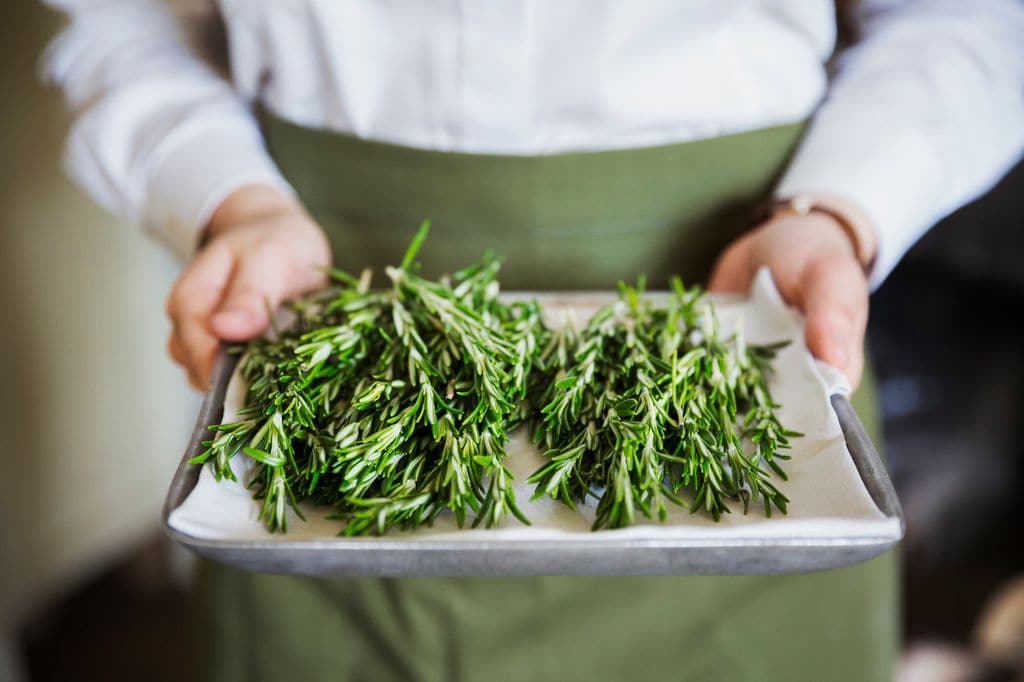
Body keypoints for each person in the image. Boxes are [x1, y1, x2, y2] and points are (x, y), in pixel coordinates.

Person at [44, 1, 1024, 680]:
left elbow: (966, 15)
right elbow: (126, 19)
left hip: (737, 313)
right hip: (336, 318)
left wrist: (837, 210)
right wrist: (229, 198)